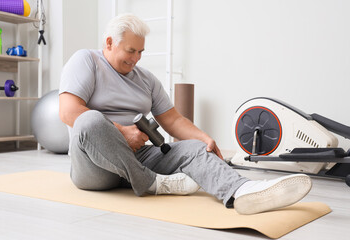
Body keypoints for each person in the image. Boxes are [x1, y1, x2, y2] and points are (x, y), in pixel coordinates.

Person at [59, 13, 312, 215]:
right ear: (110, 43)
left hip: (138, 156)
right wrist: (123, 133)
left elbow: (173, 119)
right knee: (89, 120)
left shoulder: (146, 79)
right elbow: (68, 112)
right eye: (130, 51)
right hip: (94, 167)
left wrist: (204, 139)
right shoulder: (86, 61)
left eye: (141, 52)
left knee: (193, 148)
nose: (136, 58)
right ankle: (151, 183)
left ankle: (242, 191)